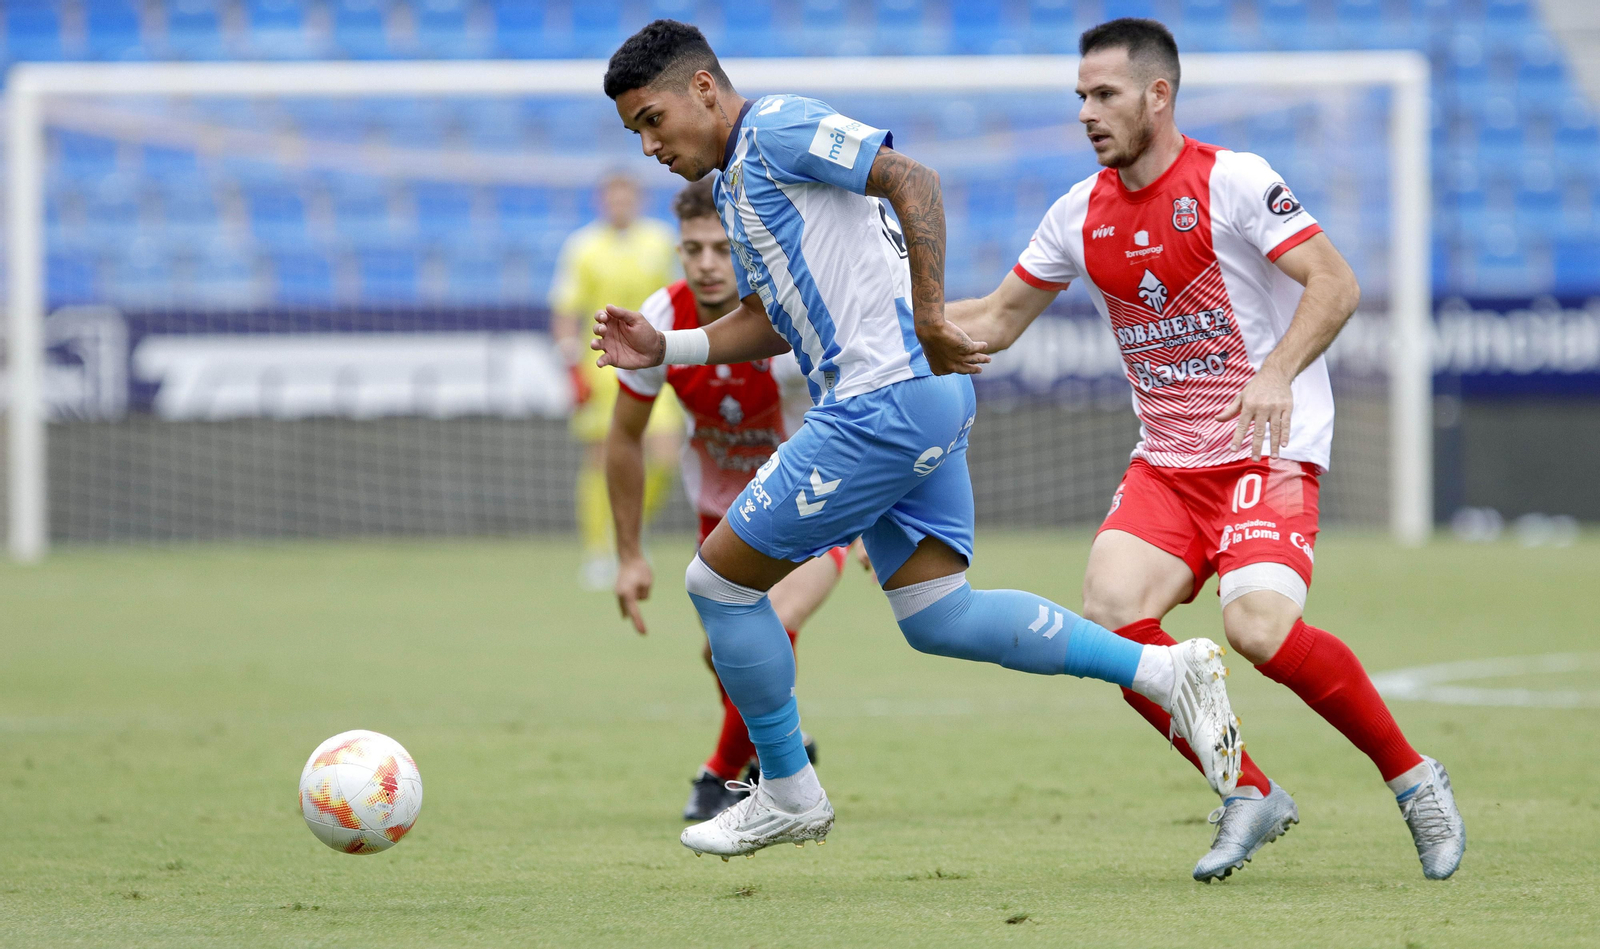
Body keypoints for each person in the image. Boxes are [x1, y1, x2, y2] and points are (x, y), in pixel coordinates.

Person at [593, 19, 1243, 865]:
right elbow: (771, 319)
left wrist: (931, 312)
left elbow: (911, 176)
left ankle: (787, 788)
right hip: (917, 399)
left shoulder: (779, 127)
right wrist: (668, 347)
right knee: (942, 614)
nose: (648, 146)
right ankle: (1163, 671)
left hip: (882, 401)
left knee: (716, 584)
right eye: (634, 132)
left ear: (705, 90)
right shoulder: (735, 188)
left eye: (651, 119)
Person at [948, 18, 1465, 882]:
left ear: (1159, 95)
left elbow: (1336, 283)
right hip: (1168, 465)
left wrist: (1276, 372)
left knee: (1256, 627)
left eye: (1104, 94)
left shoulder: (1235, 181)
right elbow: (996, 321)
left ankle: (1414, 780)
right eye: (1079, 96)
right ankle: (1248, 789)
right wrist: (881, 323)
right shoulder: (1076, 213)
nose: (1086, 112)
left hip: (1267, 448)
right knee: (1113, 617)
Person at [608, 177, 851, 821]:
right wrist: (629, 553)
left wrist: (883, 520)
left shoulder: (791, 324)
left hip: (812, 510)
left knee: (768, 621)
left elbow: (870, 413)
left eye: (723, 248)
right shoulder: (658, 321)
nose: (710, 263)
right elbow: (624, 439)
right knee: (723, 654)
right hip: (723, 519)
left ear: (745, 248)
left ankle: (717, 779)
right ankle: (781, 748)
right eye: (694, 250)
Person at [549, 172, 684, 589]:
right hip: (602, 366)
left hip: (653, 363)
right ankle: (597, 551)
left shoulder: (661, 241)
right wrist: (570, 366)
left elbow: (681, 296)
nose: (619, 205)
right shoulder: (583, 247)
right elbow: (566, 310)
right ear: (601, 201)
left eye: (626, 197)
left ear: (638, 200)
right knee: (600, 457)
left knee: (665, 454)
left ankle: (628, 532)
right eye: (612, 198)